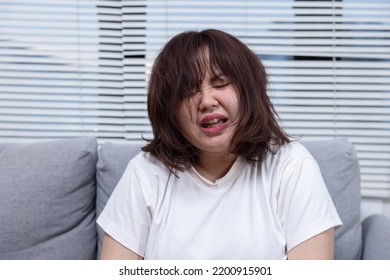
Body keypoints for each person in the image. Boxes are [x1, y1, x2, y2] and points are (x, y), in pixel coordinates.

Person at [97, 29, 342, 260]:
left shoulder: (292, 165)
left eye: (221, 83)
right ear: (170, 110)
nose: (206, 101)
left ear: (248, 91)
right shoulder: (145, 172)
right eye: (188, 91)